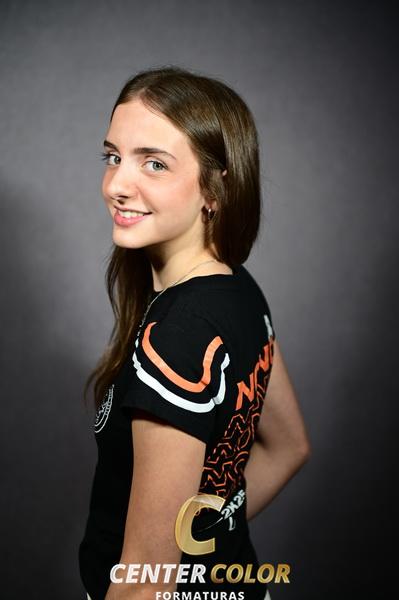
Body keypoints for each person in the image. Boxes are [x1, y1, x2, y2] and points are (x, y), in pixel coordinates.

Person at [79, 65, 311, 600]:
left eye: (154, 163)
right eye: (113, 157)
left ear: (214, 188)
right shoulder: (238, 288)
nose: (116, 185)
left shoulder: (179, 338)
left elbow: (145, 585)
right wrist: (202, 549)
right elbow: (289, 447)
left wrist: (175, 562)